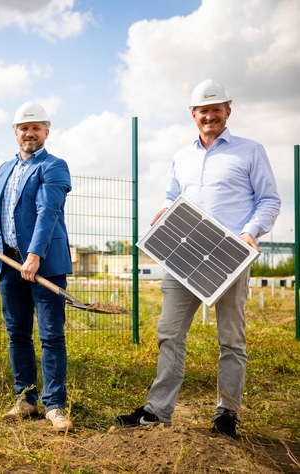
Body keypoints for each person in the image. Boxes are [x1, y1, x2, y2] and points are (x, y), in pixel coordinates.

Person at [117, 79, 281, 438]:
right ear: (193, 114)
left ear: (228, 112)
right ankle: (157, 411)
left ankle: (227, 414)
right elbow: (172, 196)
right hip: (183, 261)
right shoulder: (182, 155)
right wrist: (163, 213)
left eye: (216, 109)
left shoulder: (250, 151)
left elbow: (270, 200)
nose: (210, 115)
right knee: (169, 333)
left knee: (231, 340)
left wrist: (251, 232)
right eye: (203, 110)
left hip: (230, 258)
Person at [0, 101, 73, 433]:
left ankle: (55, 404)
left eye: (36, 128)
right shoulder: (4, 169)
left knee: (51, 336)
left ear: (46, 131)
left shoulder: (54, 166)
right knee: (18, 334)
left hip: (43, 264)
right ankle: (27, 399)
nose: (29, 133)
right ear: (15, 132)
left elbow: (48, 213)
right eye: (23, 128)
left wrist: (34, 256)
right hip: (8, 263)